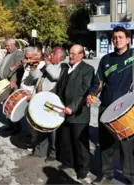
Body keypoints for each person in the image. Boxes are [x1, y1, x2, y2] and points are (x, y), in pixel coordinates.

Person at [86, 26, 134, 185]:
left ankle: (131, 178)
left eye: (120, 37)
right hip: (106, 108)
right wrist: (92, 94)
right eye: (114, 37)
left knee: (127, 148)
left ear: (127, 40)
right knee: (106, 145)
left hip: (126, 110)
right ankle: (106, 175)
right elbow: (99, 82)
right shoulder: (106, 59)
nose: (117, 40)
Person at [54, 44, 94, 180]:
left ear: (82, 55)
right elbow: (59, 88)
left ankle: (83, 168)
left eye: (74, 54)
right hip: (63, 110)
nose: (71, 56)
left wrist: (72, 107)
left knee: (80, 143)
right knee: (67, 139)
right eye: (70, 53)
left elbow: (84, 91)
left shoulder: (87, 69)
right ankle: (70, 162)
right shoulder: (65, 68)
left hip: (78, 113)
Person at [27, 46, 66, 162]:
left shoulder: (61, 67)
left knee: (51, 130)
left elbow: (55, 76)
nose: (50, 56)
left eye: (53, 54)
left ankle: (53, 153)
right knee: (41, 127)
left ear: (60, 57)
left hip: (51, 102)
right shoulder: (47, 66)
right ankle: (39, 151)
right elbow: (34, 77)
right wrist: (33, 65)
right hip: (40, 100)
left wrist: (48, 63)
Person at [0, 38, 24, 132]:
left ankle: (16, 127)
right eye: (6, 46)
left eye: (7, 46)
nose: (6, 48)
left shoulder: (18, 54)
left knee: (12, 105)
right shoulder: (8, 53)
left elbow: (18, 68)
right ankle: (10, 124)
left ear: (13, 45)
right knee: (6, 104)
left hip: (12, 84)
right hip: (5, 82)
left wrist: (13, 80)